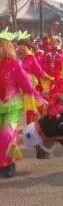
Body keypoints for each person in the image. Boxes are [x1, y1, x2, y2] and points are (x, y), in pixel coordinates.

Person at [0, 28, 45, 177]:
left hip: (12, 107)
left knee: (7, 135)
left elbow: (27, 86)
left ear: (5, 47)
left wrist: (39, 100)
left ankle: (8, 163)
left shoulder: (14, 65)